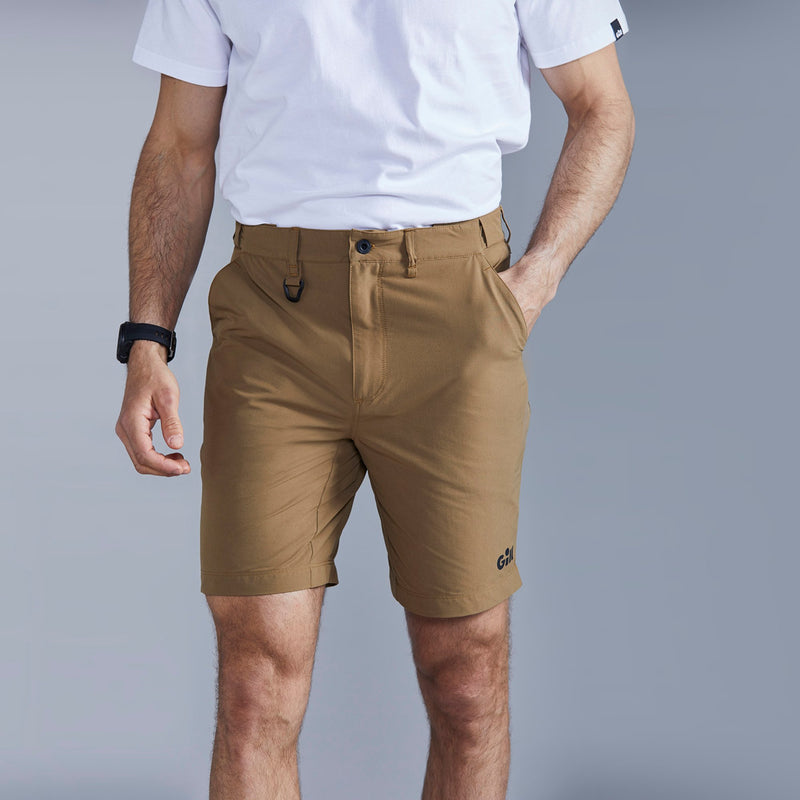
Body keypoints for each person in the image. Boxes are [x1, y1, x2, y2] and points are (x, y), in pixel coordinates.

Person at [115, 1, 634, 797]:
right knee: (255, 680)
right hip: (275, 319)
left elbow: (602, 106)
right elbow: (179, 144)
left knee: (466, 672)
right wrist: (147, 339)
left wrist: (534, 282)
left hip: (453, 312)